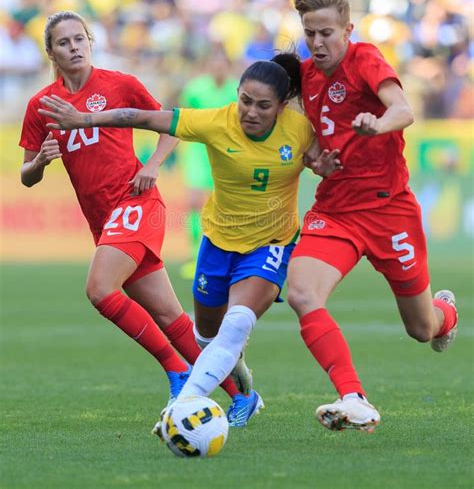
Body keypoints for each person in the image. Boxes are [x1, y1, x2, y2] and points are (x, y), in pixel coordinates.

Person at [37, 51, 340, 429]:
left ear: (280, 107)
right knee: (202, 334)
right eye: (245, 100)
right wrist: (83, 119)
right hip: (218, 239)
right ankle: (240, 387)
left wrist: (322, 165)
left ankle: (186, 400)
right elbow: (143, 118)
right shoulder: (216, 121)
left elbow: (318, 157)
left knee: (235, 322)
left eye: (263, 105)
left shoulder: (299, 128)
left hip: (272, 243)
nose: (250, 111)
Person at [19, 11, 246, 422]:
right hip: (104, 220)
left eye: (80, 39)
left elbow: (171, 126)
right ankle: (242, 396)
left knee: (100, 290)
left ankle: (178, 372)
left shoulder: (119, 84)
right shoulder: (42, 106)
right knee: (170, 317)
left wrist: (154, 165)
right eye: (64, 42)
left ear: (90, 42)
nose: (74, 47)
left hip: (137, 202)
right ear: (50, 52)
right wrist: (41, 163)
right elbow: (26, 174)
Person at [287, 0, 458, 432]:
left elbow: (403, 110)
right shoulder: (304, 76)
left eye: (326, 32)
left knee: (423, 329)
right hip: (336, 211)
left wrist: (376, 124)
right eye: (310, 33)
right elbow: (304, 140)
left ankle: (447, 312)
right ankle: (353, 396)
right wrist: (313, 161)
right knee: (302, 293)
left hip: (388, 212)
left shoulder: (365, 59)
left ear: (348, 29)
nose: (318, 42)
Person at [178, 48, 238, 280]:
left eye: (222, 64)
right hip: (197, 150)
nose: (218, 68)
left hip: (224, 152)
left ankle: (227, 254)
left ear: (228, 66)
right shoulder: (195, 88)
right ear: (208, 66)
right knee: (194, 203)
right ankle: (196, 257)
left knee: (225, 206)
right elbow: (183, 115)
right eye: (214, 64)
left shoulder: (236, 88)